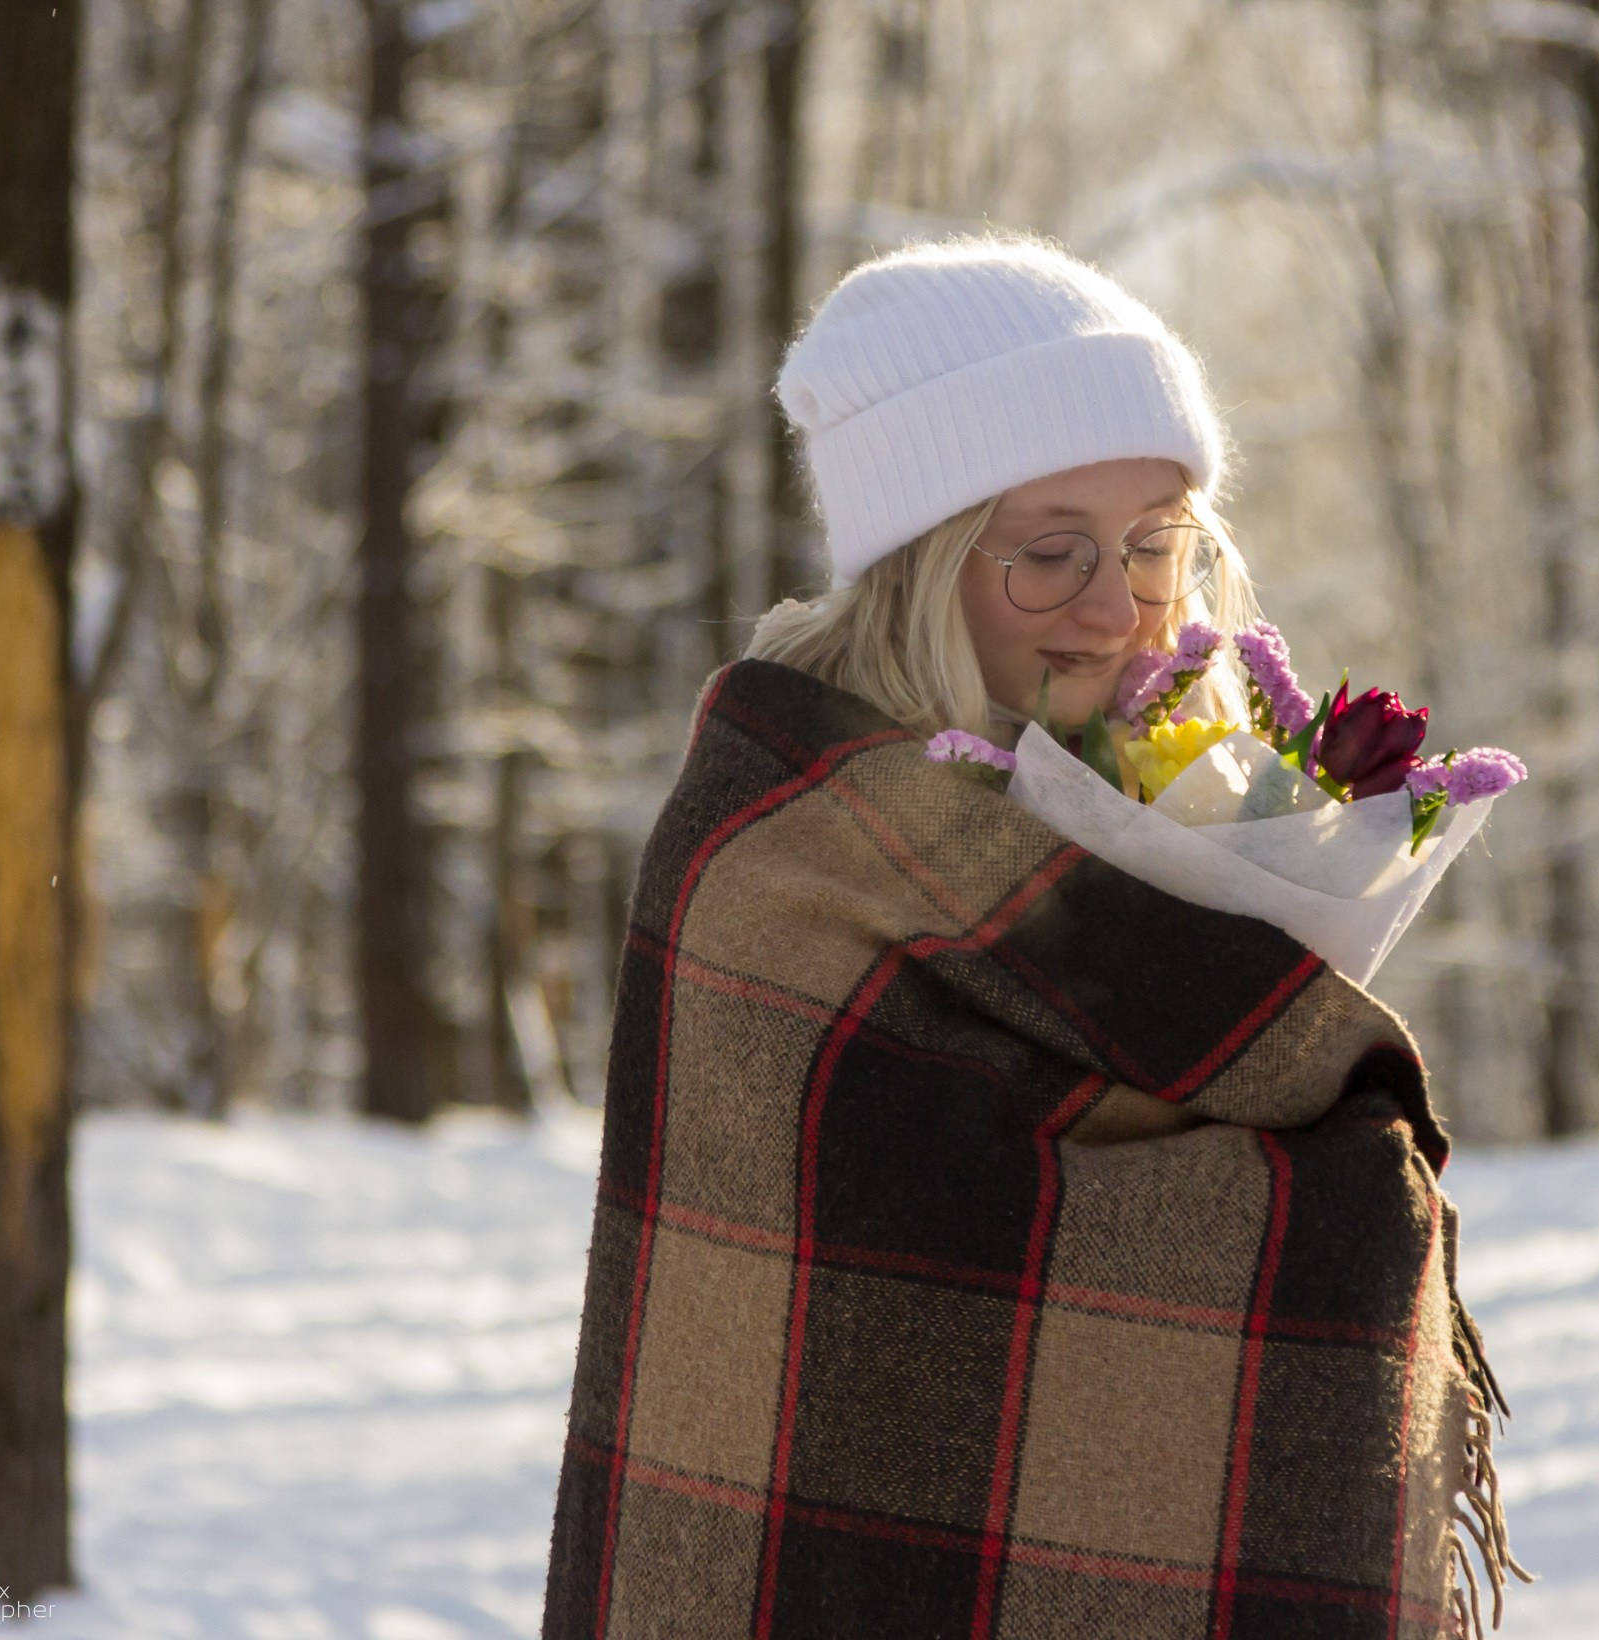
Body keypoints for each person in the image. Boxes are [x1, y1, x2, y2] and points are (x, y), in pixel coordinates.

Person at [544, 236, 1518, 1640]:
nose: (1122, 605)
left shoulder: (1152, 782)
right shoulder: (780, 858)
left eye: (1156, 542)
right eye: (1052, 553)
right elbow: (877, 1284)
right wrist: (1325, 1196)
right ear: (917, 565)